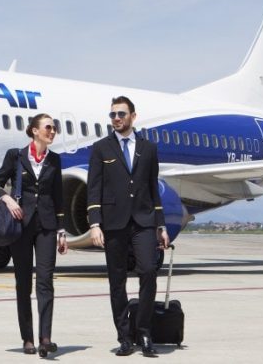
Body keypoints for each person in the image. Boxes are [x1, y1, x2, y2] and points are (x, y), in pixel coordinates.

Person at [87, 96, 169, 357]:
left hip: (144, 221)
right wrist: (94, 223)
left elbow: (152, 188)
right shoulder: (101, 148)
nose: (116, 119)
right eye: (112, 115)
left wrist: (161, 224)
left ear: (133, 116)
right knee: (117, 282)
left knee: (148, 272)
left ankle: (144, 332)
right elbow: (94, 188)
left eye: (121, 114)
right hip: (113, 223)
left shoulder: (149, 148)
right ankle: (124, 337)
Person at [0, 113, 68, 357]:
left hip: (46, 227)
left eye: (54, 128)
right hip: (20, 226)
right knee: (23, 284)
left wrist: (62, 230)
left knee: (45, 282)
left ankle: (46, 338)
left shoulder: (54, 160)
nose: (52, 131)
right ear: (34, 131)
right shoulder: (15, 156)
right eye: (48, 128)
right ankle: (28, 338)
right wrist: (8, 199)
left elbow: (58, 197)